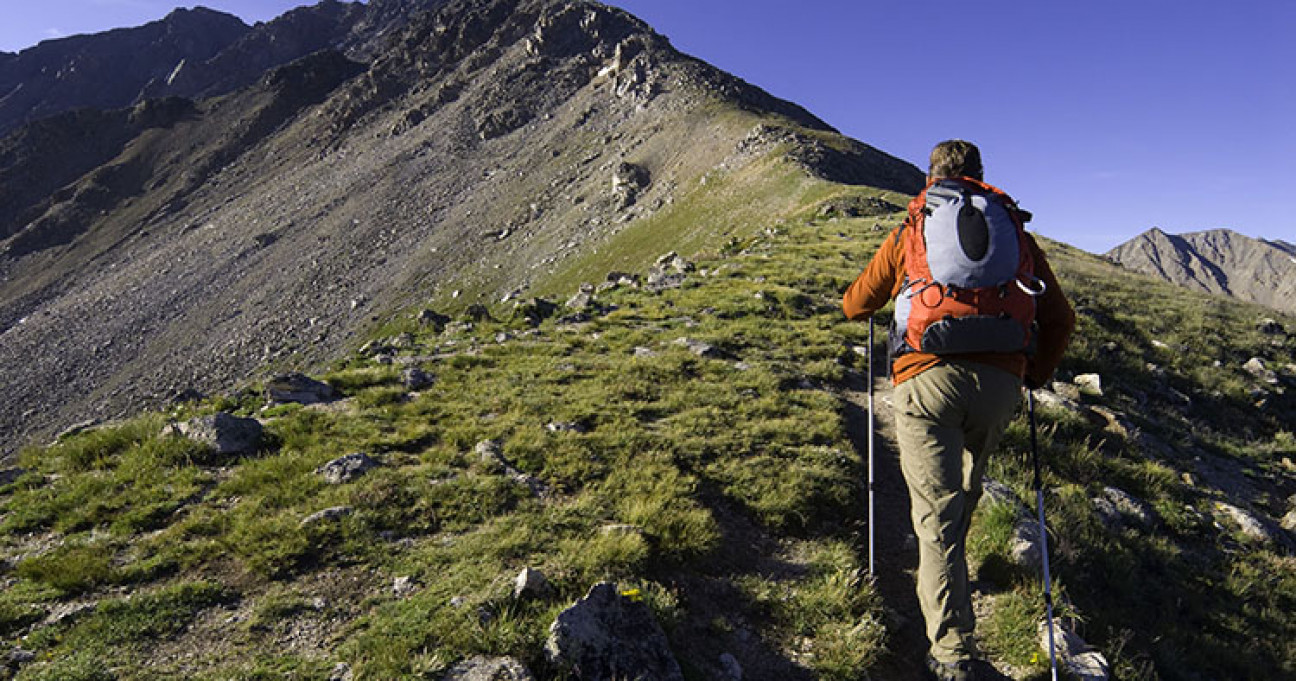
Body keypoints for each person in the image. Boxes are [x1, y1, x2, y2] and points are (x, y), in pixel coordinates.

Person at [842, 140, 1075, 681]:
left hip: (926, 381)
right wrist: (1032, 375)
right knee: (961, 499)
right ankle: (952, 578)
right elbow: (1060, 320)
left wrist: (860, 302)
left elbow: (857, 304)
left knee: (936, 516)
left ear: (932, 176)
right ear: (980, 176)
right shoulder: (1015, 234)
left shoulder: (913, 228)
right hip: (998, 385)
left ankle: (950, 651)